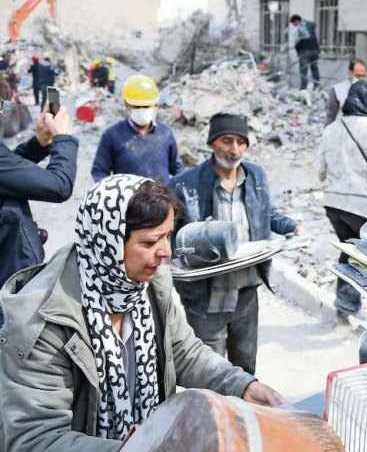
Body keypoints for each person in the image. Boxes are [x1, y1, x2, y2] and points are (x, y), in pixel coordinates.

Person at [0, 175, 285, 450]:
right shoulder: (45, 322)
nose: (166, 252)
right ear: (108, 245)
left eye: (167, 236)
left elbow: (184, 352)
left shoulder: (146, 286)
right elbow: (37, 439)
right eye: (150, 242)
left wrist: (241, 385)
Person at [169, 113, 303, 375]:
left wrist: (292, 227)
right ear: (211, 143)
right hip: (205, 297)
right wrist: (169, 257)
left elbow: (266, 214)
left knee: (245, 369)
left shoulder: (255, 177)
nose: (234, 150)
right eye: (226, 141)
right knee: (210, 374)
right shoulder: (186, 184)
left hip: (245, 294)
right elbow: (167, 230)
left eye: (241, 142)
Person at [319, 80, 367, 317]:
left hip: (334, 204)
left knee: (351, 249)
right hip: (365, 205)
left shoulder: (331, 129)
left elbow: (320, 170)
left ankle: (346, 303)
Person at [0, 103, 77, 290]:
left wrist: (39, 143)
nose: (1, 111)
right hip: (8, 289)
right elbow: (59, 186)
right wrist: (63, 138)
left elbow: (9, 172)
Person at [92, 74, 184, 184]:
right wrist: (110, 190)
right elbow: (99, 170)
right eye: (136, 106)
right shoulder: (112, 135)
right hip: (128, 195)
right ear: (127, 105)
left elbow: (178, 169)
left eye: (146, 106)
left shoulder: (165, 133)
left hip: (160, 194)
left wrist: (177, 189)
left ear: (155, 105)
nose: (142, 110)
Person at [325, 59, 367, 127]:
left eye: (363, 76)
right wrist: (327, 131)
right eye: (358, 76)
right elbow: (331, 115)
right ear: (350, 73)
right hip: (341, 130)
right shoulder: (338, 90)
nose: (361, 79)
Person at [289, 14, 320, 90]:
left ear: (297, 21)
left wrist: (298, 51)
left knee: (303, 70)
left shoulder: (299, 28)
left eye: (293, 23)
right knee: (314, 68)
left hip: (305, 51)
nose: (293, 25)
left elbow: (297, 42)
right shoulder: (309, 26)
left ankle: (303, 87)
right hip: (315, 50)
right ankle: (317, 85)